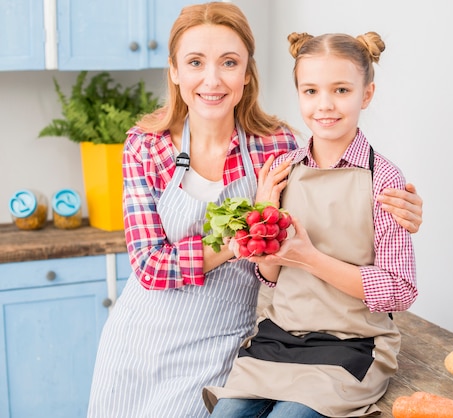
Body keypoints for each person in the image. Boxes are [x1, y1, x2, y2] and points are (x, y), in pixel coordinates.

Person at [87, 4, 423, 417]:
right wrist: (251, 229)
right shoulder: (145, 145)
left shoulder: (278, 148)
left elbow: (329, 195)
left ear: (247, 72)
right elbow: (152, 267)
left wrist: (402, 210)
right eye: (195, 62)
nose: (212, 79)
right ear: (174, 70)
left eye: (229, 62)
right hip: (144, 336)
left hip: (229, 340)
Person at [204, 31, 418, 418]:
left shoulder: (384, 179)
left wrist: (310, 258)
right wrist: (263, 219)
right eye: (311, 91)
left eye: (340, 90)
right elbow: (269, 275)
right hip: (282, 335)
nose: (325, 105)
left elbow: (399, 291)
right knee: (225, 413)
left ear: (366, 94)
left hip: (352, 342)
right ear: (299, 94)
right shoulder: (283, 171)